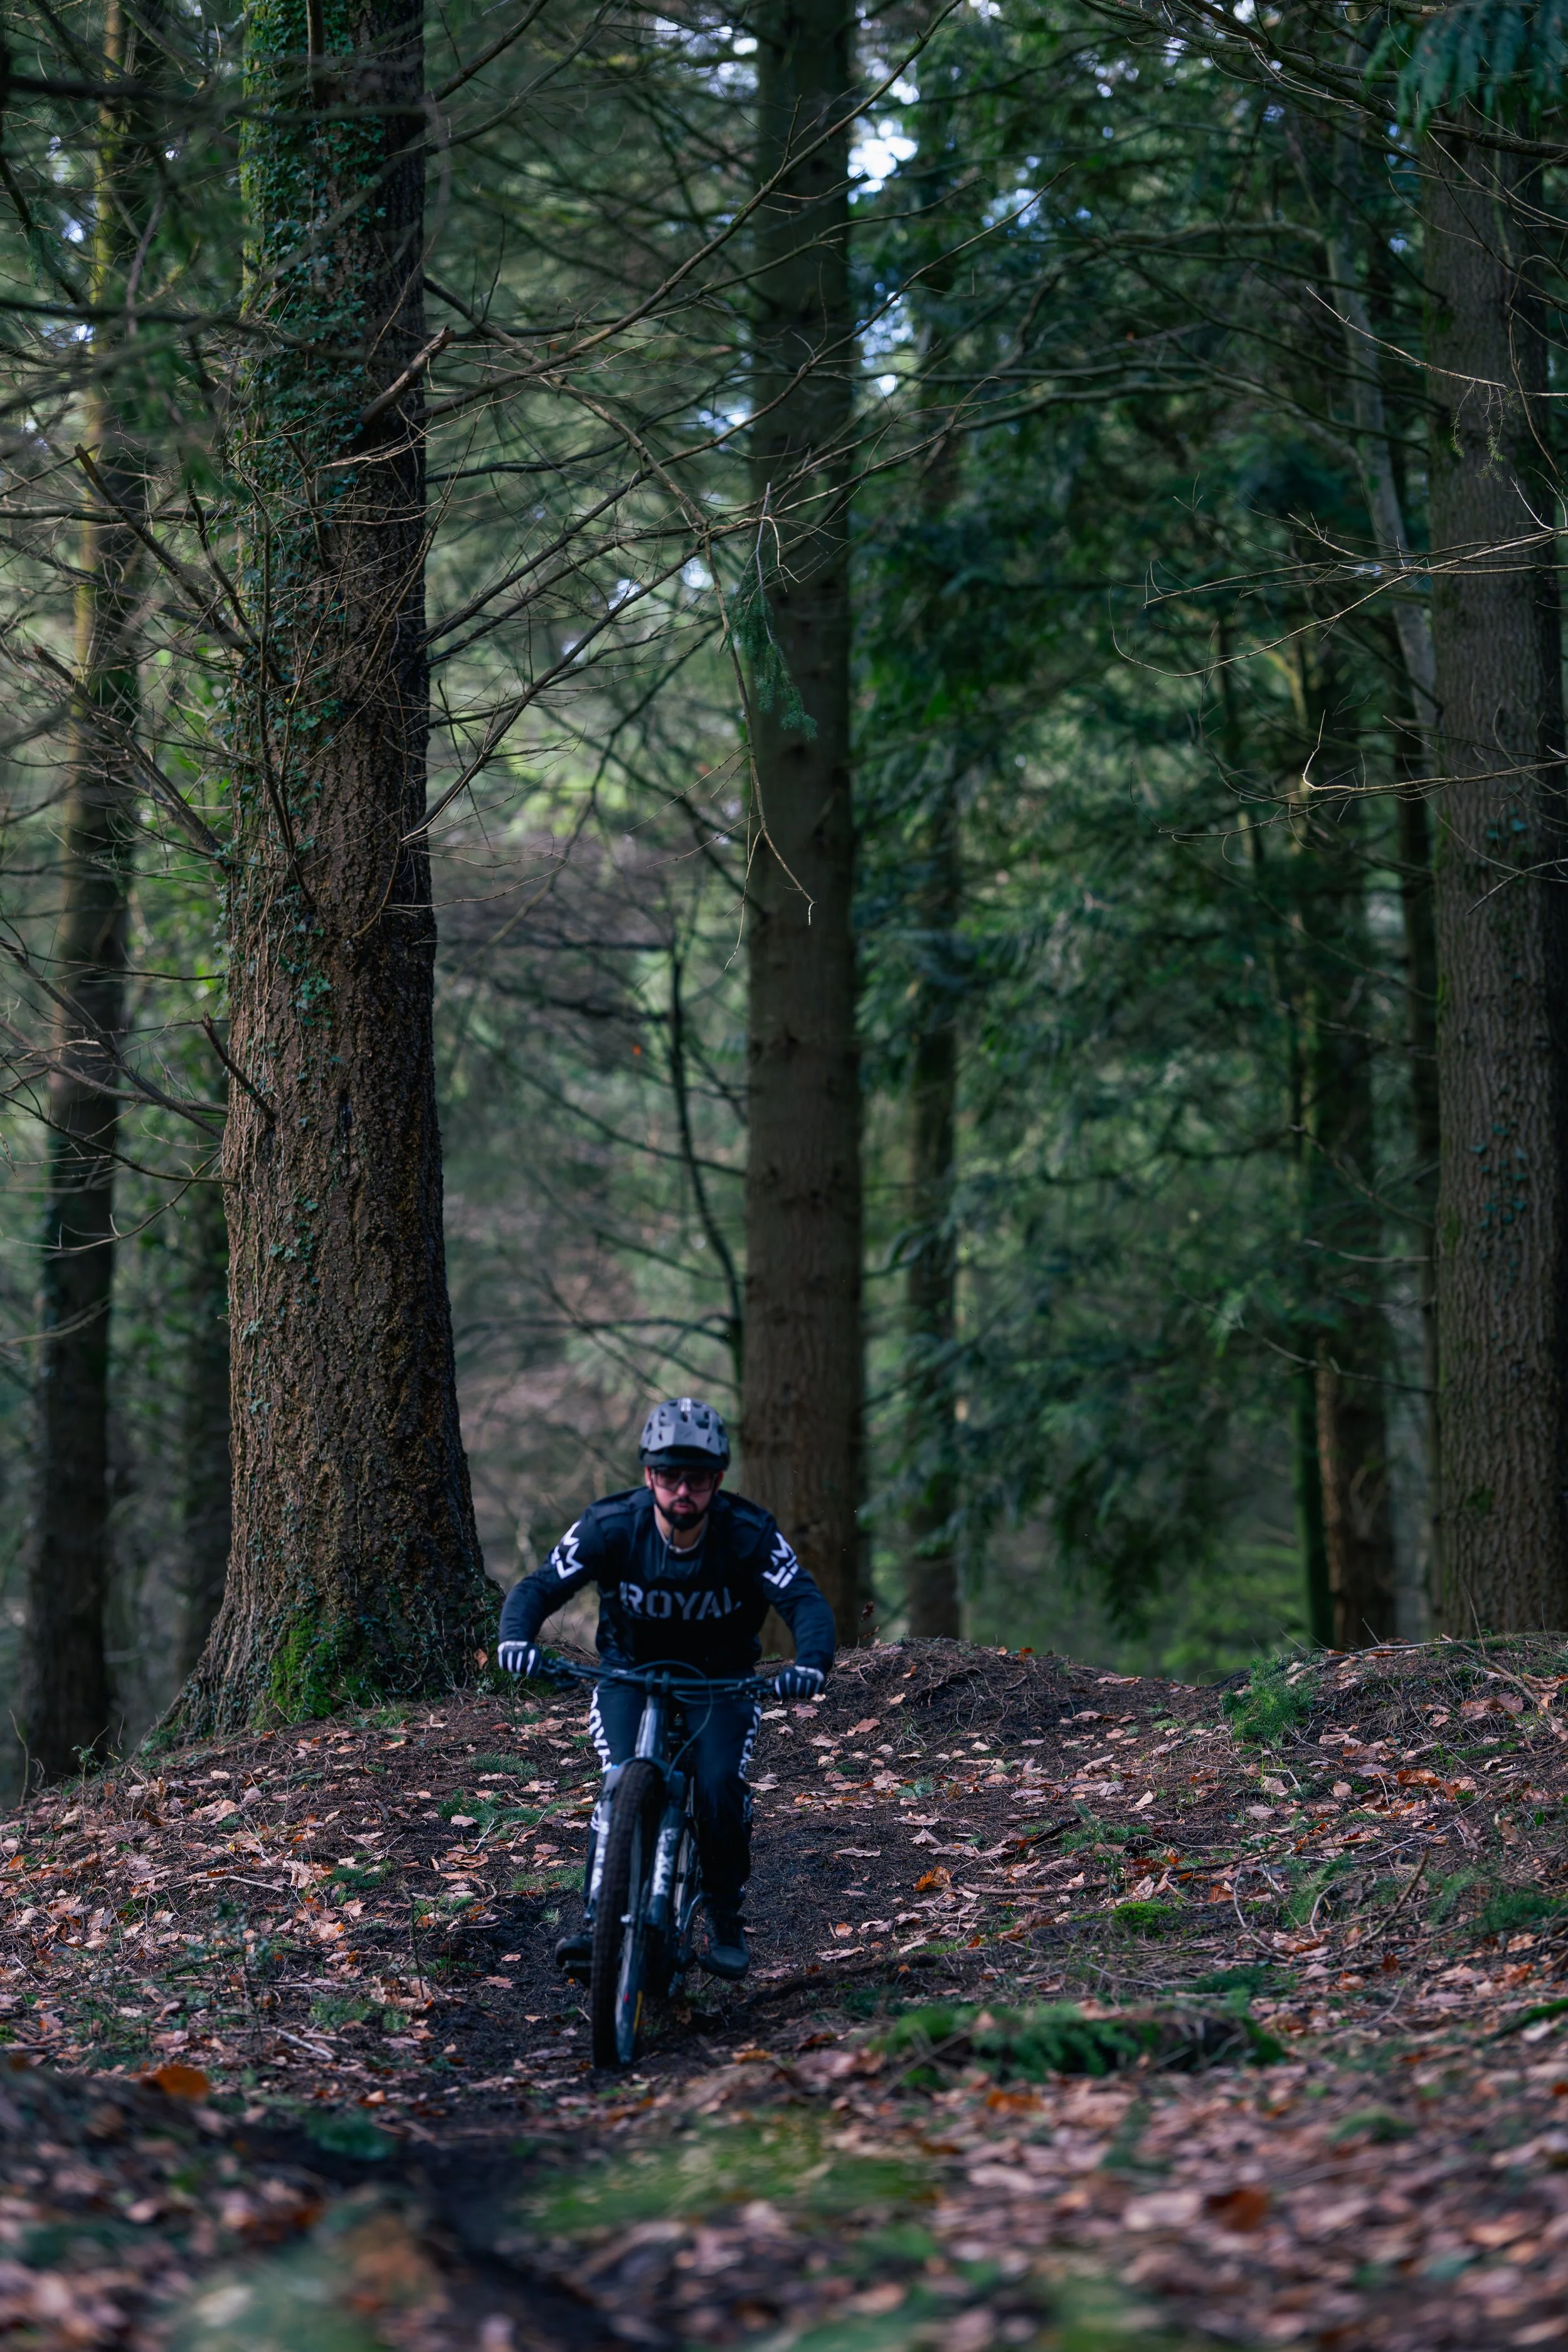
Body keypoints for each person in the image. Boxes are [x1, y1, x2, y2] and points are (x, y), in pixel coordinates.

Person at [497, 1396, 836, 1981]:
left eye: (698, 1479)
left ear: (718, 1481)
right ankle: (598, 1920)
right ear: (649, 1475)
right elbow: (542, 1585)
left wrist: (811, 1664)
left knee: (719, 1785)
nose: (684, 1491)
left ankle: (725, 1916)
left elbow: (803, 1599)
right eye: (670, 1475)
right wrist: (515, 1640)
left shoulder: (748, 1533)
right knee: (618, 1779)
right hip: (628, 1674)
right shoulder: (610, 1525)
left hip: (720, 1681)